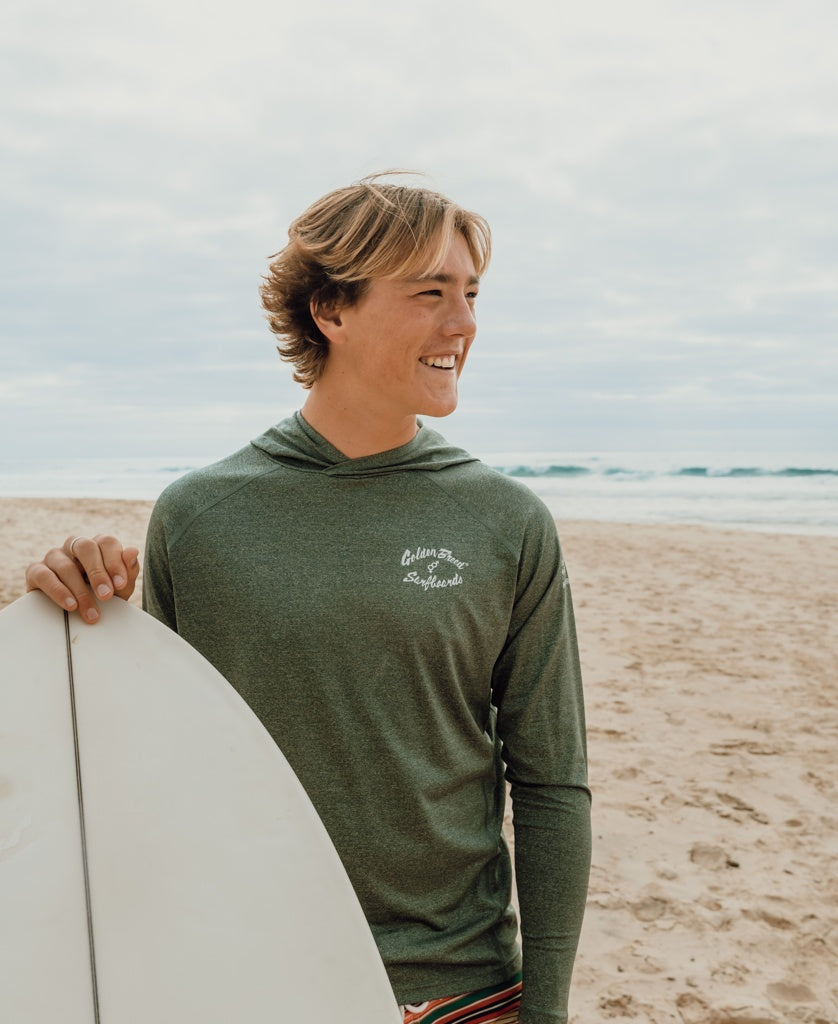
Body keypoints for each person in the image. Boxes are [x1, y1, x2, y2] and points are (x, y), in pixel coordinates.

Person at [26, 174, 591, 1024]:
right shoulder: (201, 516)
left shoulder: (507, 522)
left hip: (457, 984)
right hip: (254, 966)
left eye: (471, 294)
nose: (465, 324)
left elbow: (551, 785)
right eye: (430, 292)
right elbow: (148, 759)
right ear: (332, 308)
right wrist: (68, 607)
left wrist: (545, 1012)